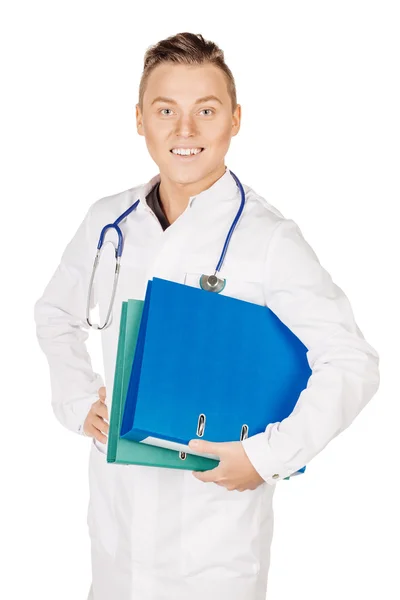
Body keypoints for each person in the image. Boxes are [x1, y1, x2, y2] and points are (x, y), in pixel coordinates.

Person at [33, 31, 380, 600]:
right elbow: (54, 314)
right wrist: (79, 402)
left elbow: (352, 362)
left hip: (215, 547)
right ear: (140, 119)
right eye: (165, 110)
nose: (185, 130)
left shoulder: (268, 239)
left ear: (236, 119)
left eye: (206, 110)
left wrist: (266, 457)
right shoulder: (108, 220)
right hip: (117, 533)